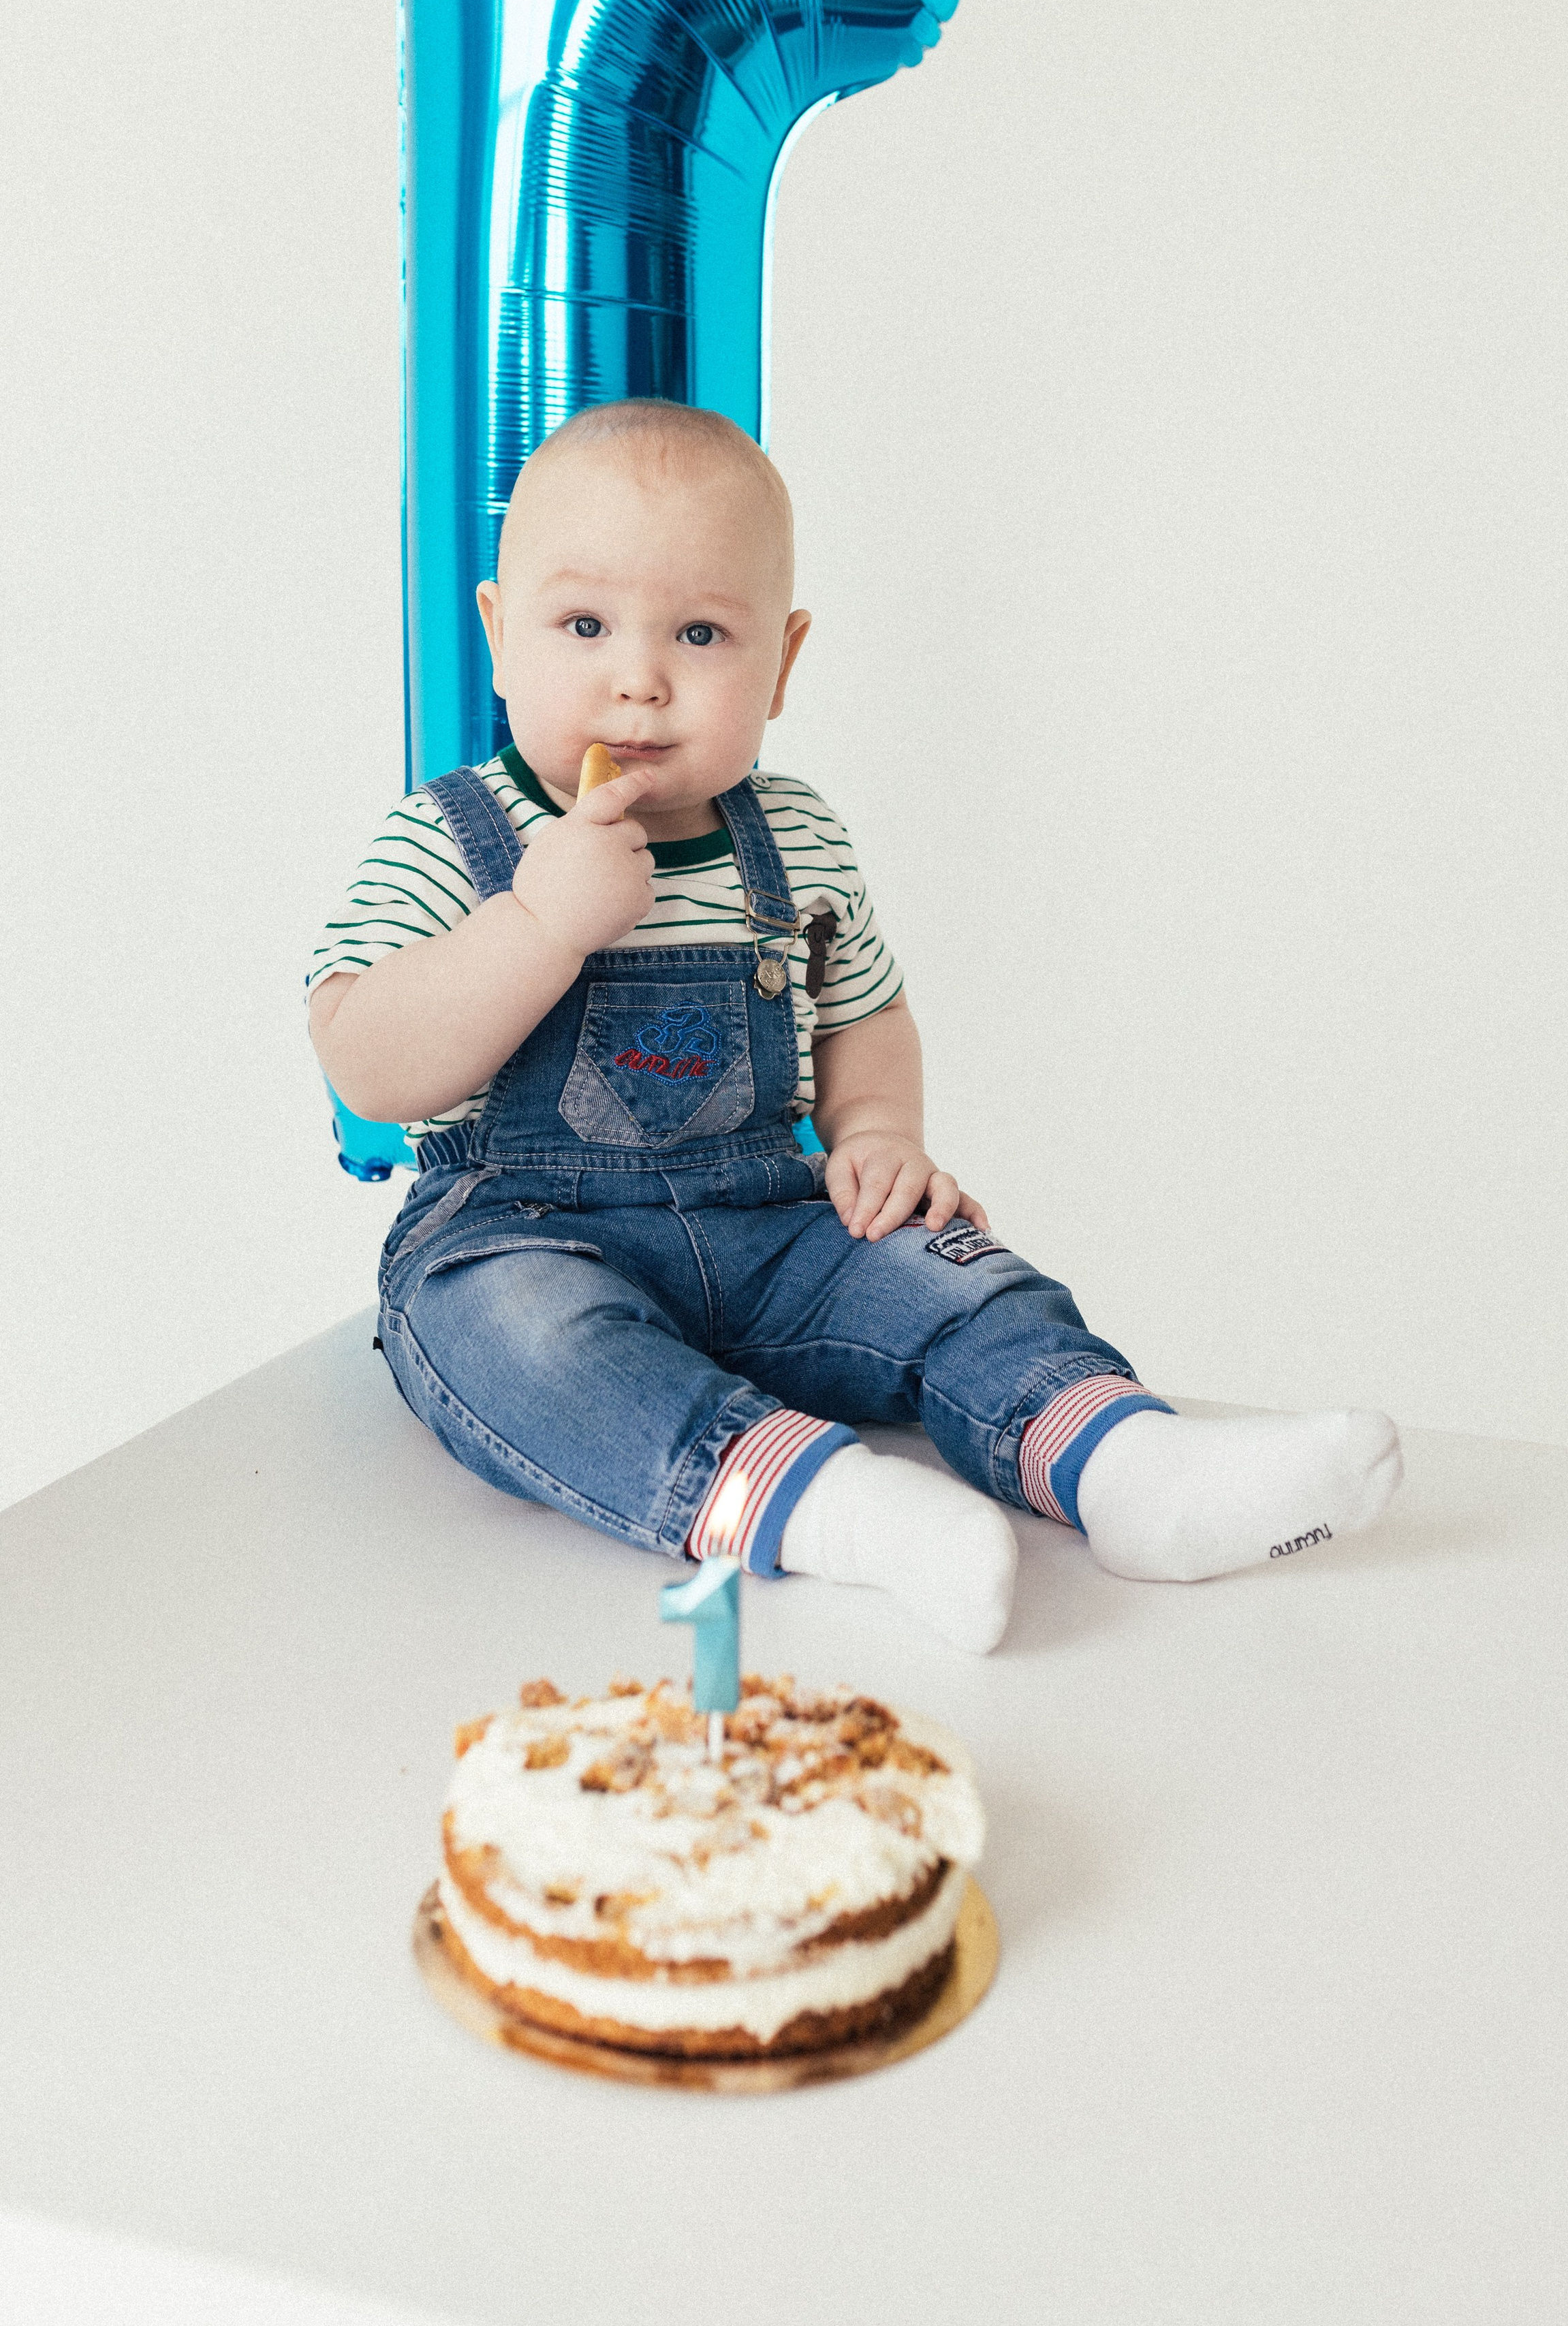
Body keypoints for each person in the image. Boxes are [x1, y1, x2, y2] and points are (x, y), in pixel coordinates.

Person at [309, 401, 1401, 1652]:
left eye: (703, 632)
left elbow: (865, 1012)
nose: (640, 677)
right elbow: (368, 1064)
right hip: (526, 1228)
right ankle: (835, 1509)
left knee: (951, 1274)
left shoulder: (795, 833)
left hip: (772, 1219)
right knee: (517, 1344)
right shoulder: (454, 835)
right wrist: (537, 928)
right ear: (501, 634)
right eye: (584, 625)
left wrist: (880, 1130)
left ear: (783, 660)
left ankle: (1128, 1468)